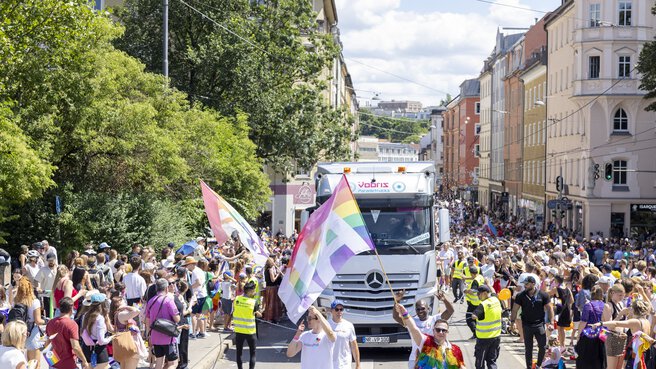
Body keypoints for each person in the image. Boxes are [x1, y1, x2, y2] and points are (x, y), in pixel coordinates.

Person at [392, 290, 455, 369]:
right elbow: (396, 317)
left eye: (422, 308)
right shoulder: (412, 321)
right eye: (418, 309)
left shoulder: (435, 319)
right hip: (415, 359)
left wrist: (444, 300)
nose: (420, 311)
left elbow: (450, 311)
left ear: (428, 309)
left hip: (432, 359)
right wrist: (396, 301)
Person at [510, 275, 553, 369]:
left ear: (533, 284)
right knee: (528, 349)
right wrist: (512, 322)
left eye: (527, 284)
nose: (525, 286)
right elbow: (514, 310)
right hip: (527, 325)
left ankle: (538, 365)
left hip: (539, 324)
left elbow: (550, 309)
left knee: (543, 346)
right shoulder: (521, 295)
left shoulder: (543, 294)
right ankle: (529, 367)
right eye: (524, 284)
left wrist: (551, 323)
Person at [46, 297, 90, 369]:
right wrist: (84, 360)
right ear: (71, 309)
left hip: (53, 362)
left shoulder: (50, 323)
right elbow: (75, 347)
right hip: (68, 364)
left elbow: (47, 342)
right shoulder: (71, 324)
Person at [146, 278, 180, 369]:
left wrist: (148, 335)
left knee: (159, 362)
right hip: (168, 337)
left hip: (155, 336)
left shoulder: (150, 301)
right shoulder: (168, 300)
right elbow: (177, 319)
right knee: (173, 363)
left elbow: (147, 320)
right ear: (166, 288)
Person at [14, 277, 45, 368]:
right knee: (35, 364)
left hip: (19, 332)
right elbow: (38, 321)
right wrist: (46, 321)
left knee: (26, 363)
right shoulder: (35, 302)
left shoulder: (16, 301)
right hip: (32, 333)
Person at [574, 286, 606, 369]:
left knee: (585, 360)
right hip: (601, 335)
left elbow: (583, 321)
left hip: (588, 335)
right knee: (599, 359)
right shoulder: (605, 305)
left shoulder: (588, 305)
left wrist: (578, 334)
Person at [233, 281, 261, 369]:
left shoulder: (237, 299)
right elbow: (258, 314)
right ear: (249, 291)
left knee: (239, 353)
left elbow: (235, 310)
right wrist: (261, 312)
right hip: (250, 332)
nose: (255, 292)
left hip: (239, 331)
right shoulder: (253, 302)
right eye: (253, 291)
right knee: (252, 353)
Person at [471, 285, 501, 369]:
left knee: (479, 363)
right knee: (491, 361)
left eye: (478, 294)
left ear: (484, 293)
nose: (477, 296)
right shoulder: (495, 299)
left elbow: (474, 316)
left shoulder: (483, 305)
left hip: (484, 339)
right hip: (496, 337)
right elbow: (493, 291)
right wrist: (488, 283)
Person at [79, 293, 112, 369]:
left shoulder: (85, 315)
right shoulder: (100, 318)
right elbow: (101, 340)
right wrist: (110, 338)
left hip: (86, 349)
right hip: (99, 351)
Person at [327, 300, 361, 369]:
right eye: (336, 309)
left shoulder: (349, 325)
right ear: (331, 311)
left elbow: (354, 346)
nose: (339, 312)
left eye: (341, 309)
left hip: (345, 364)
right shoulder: (326, 325)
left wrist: (358, 365)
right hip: (329, 364)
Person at [183, 256, 207, 338]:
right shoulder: (199, 270)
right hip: (203, 294)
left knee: (193, 314)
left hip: (197, 295)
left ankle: (194, 333)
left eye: (187, 265)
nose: (187, 267)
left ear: (190, 264)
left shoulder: (195, 272)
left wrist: (189, 287)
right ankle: (202, 332)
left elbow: (198, 283)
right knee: (199, 314)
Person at [464, 266, 485, 339]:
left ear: (472, 273)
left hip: (474, 303)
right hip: (480, 302)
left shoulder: (475, 281)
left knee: (469, 318)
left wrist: (466, 291)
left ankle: (476, 333)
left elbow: (474, 292)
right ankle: (478, 334)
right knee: (477, 319)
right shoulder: (480, 277)